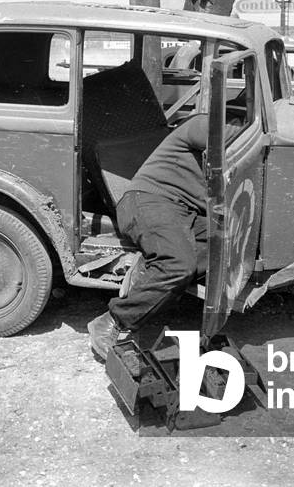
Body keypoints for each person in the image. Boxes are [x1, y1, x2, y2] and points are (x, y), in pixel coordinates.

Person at [87, 113, 213, 359]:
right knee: (178, 265)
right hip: (149, 199)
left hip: (182, 212)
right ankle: (113, 320)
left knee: (227, 239)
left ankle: (150, 267)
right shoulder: (200, 125)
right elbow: (223, 136)